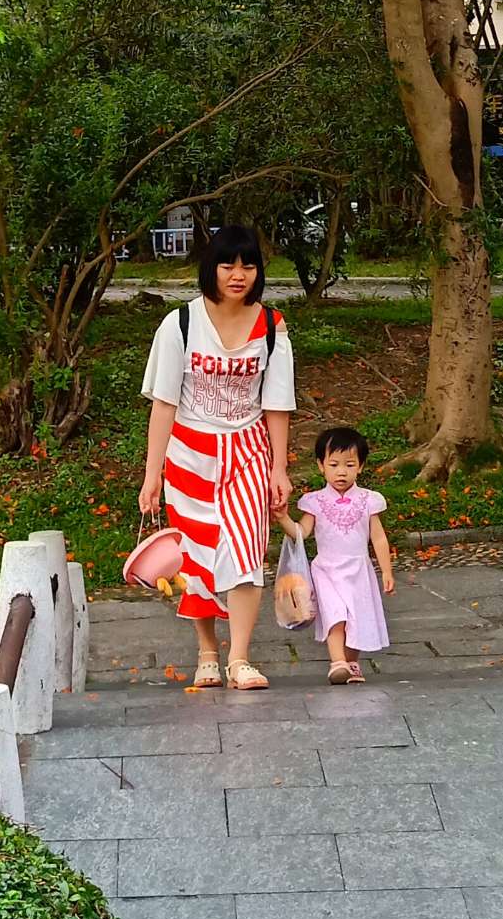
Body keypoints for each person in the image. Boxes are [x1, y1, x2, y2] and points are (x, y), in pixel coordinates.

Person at [138, 225, 295, 691]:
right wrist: (153, 475)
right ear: (212, 268)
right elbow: (164, 404)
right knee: (197, 560)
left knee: (246, 552)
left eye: (248, 265)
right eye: (228, 264)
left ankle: (240, 658)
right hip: (188, 456)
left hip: (248, 451)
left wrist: (279, 468)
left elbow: (277, 404)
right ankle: (208, 651)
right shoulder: (180, 324)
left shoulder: (272, 326)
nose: (238, 274)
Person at [289, 424, 394, 684]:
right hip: (326, 569)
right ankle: (337, 662)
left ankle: (351, 662)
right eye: (334, 464)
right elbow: (302, 531)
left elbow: (378, 538)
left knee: (357, 617)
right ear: (320, 465)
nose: (341, 472)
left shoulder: (369, 500)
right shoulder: (315, 501)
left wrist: (387, 571)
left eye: (349, 465)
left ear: (360, 466)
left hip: (358, 569)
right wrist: (281, 518)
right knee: (336, 614)